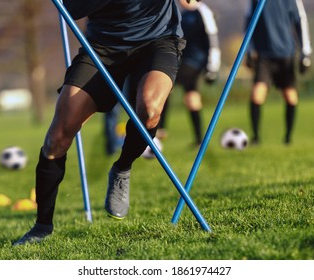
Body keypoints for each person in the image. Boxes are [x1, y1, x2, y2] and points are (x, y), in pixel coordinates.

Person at [14, 0, 199, 246]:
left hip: (157, 40)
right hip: (102, 47)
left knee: (150, 109)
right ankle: (42, 227)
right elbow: (73, 8)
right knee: (58, 135)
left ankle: (122, 168)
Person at [245, 0, 312, 145]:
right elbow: (249, 23)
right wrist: (249, 51)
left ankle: (288, 137)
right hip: (264, 56)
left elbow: (301, 21)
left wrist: (305, 52)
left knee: (290, 96)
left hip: (286, 55)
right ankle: (256, 137)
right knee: (257, 94)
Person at [158, 0, 220, 146]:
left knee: (164, 85)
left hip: (195, 61)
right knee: (192, 97)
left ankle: (160, 130)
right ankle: (199, 139)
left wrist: (213, 67)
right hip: (184, 61)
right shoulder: (184, 14)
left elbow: (212, 39)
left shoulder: (203, 12)